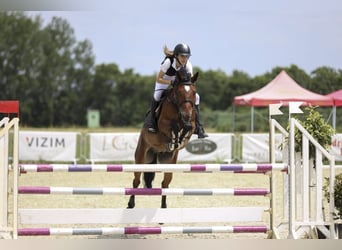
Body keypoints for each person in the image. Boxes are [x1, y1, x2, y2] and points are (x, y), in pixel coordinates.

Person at [148, 43, 208, 138]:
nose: (184, 59)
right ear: (176, 56)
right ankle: (152, 123)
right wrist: (171, 81)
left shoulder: (188, 65)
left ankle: (198, 127)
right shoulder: (168, 62)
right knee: (157, 96)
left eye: (186, 56)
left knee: (197, 97)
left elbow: (190, 81)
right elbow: (158, 78)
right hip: (164, 80)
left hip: (179, 83)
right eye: (182, 56)